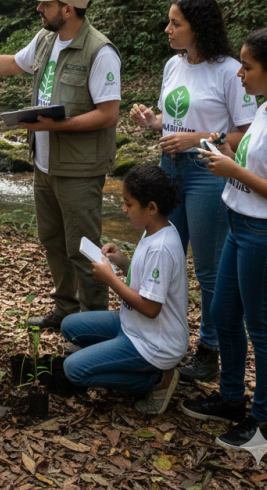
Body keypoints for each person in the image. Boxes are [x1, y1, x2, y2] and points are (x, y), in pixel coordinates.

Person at [0, 0, 120, 329]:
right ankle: (65, 310)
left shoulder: (100, 51)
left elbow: (108, 114)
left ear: (68, 10)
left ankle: (94, 323)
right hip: (44, 164)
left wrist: (55, 126)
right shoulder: (45, 39)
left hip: (80, 169)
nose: (39, 8)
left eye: (47, 4)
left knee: (83, 249)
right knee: (53, 241)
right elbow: (12, 64)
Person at [180, 20, 267, 462]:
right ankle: (231, 397)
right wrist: (230, 157)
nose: (238, 73)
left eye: (246, 66)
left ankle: (265, 422)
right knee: (222, 313)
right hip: (242, 225)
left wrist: (235, 172)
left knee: (264, 329)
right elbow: (258, 170)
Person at [129, 0, 256, 382]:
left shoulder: (230, 71)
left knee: (208, 269)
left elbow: (246, 135)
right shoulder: (173, 65)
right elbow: (175, 116)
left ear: (198, 28)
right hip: (170, 168)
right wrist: (153, 120)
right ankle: (163, 339)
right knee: (163, 251)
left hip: (207, 172)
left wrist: (196, 138)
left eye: (175, 23)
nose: (167, 29)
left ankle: (210, 349)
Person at [60, 166, 188, 414]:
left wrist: (112, 281)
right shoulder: (154, 230)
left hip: (154, 343)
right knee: (69, 326)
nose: (124, 209)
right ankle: (119, 359)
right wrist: (122, 262)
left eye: (128, 204)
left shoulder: (162, 246)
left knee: (74, 369)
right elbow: (149, 280)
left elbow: (151, 308)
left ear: (151, 208)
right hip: (132, 323)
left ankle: (158, 381)